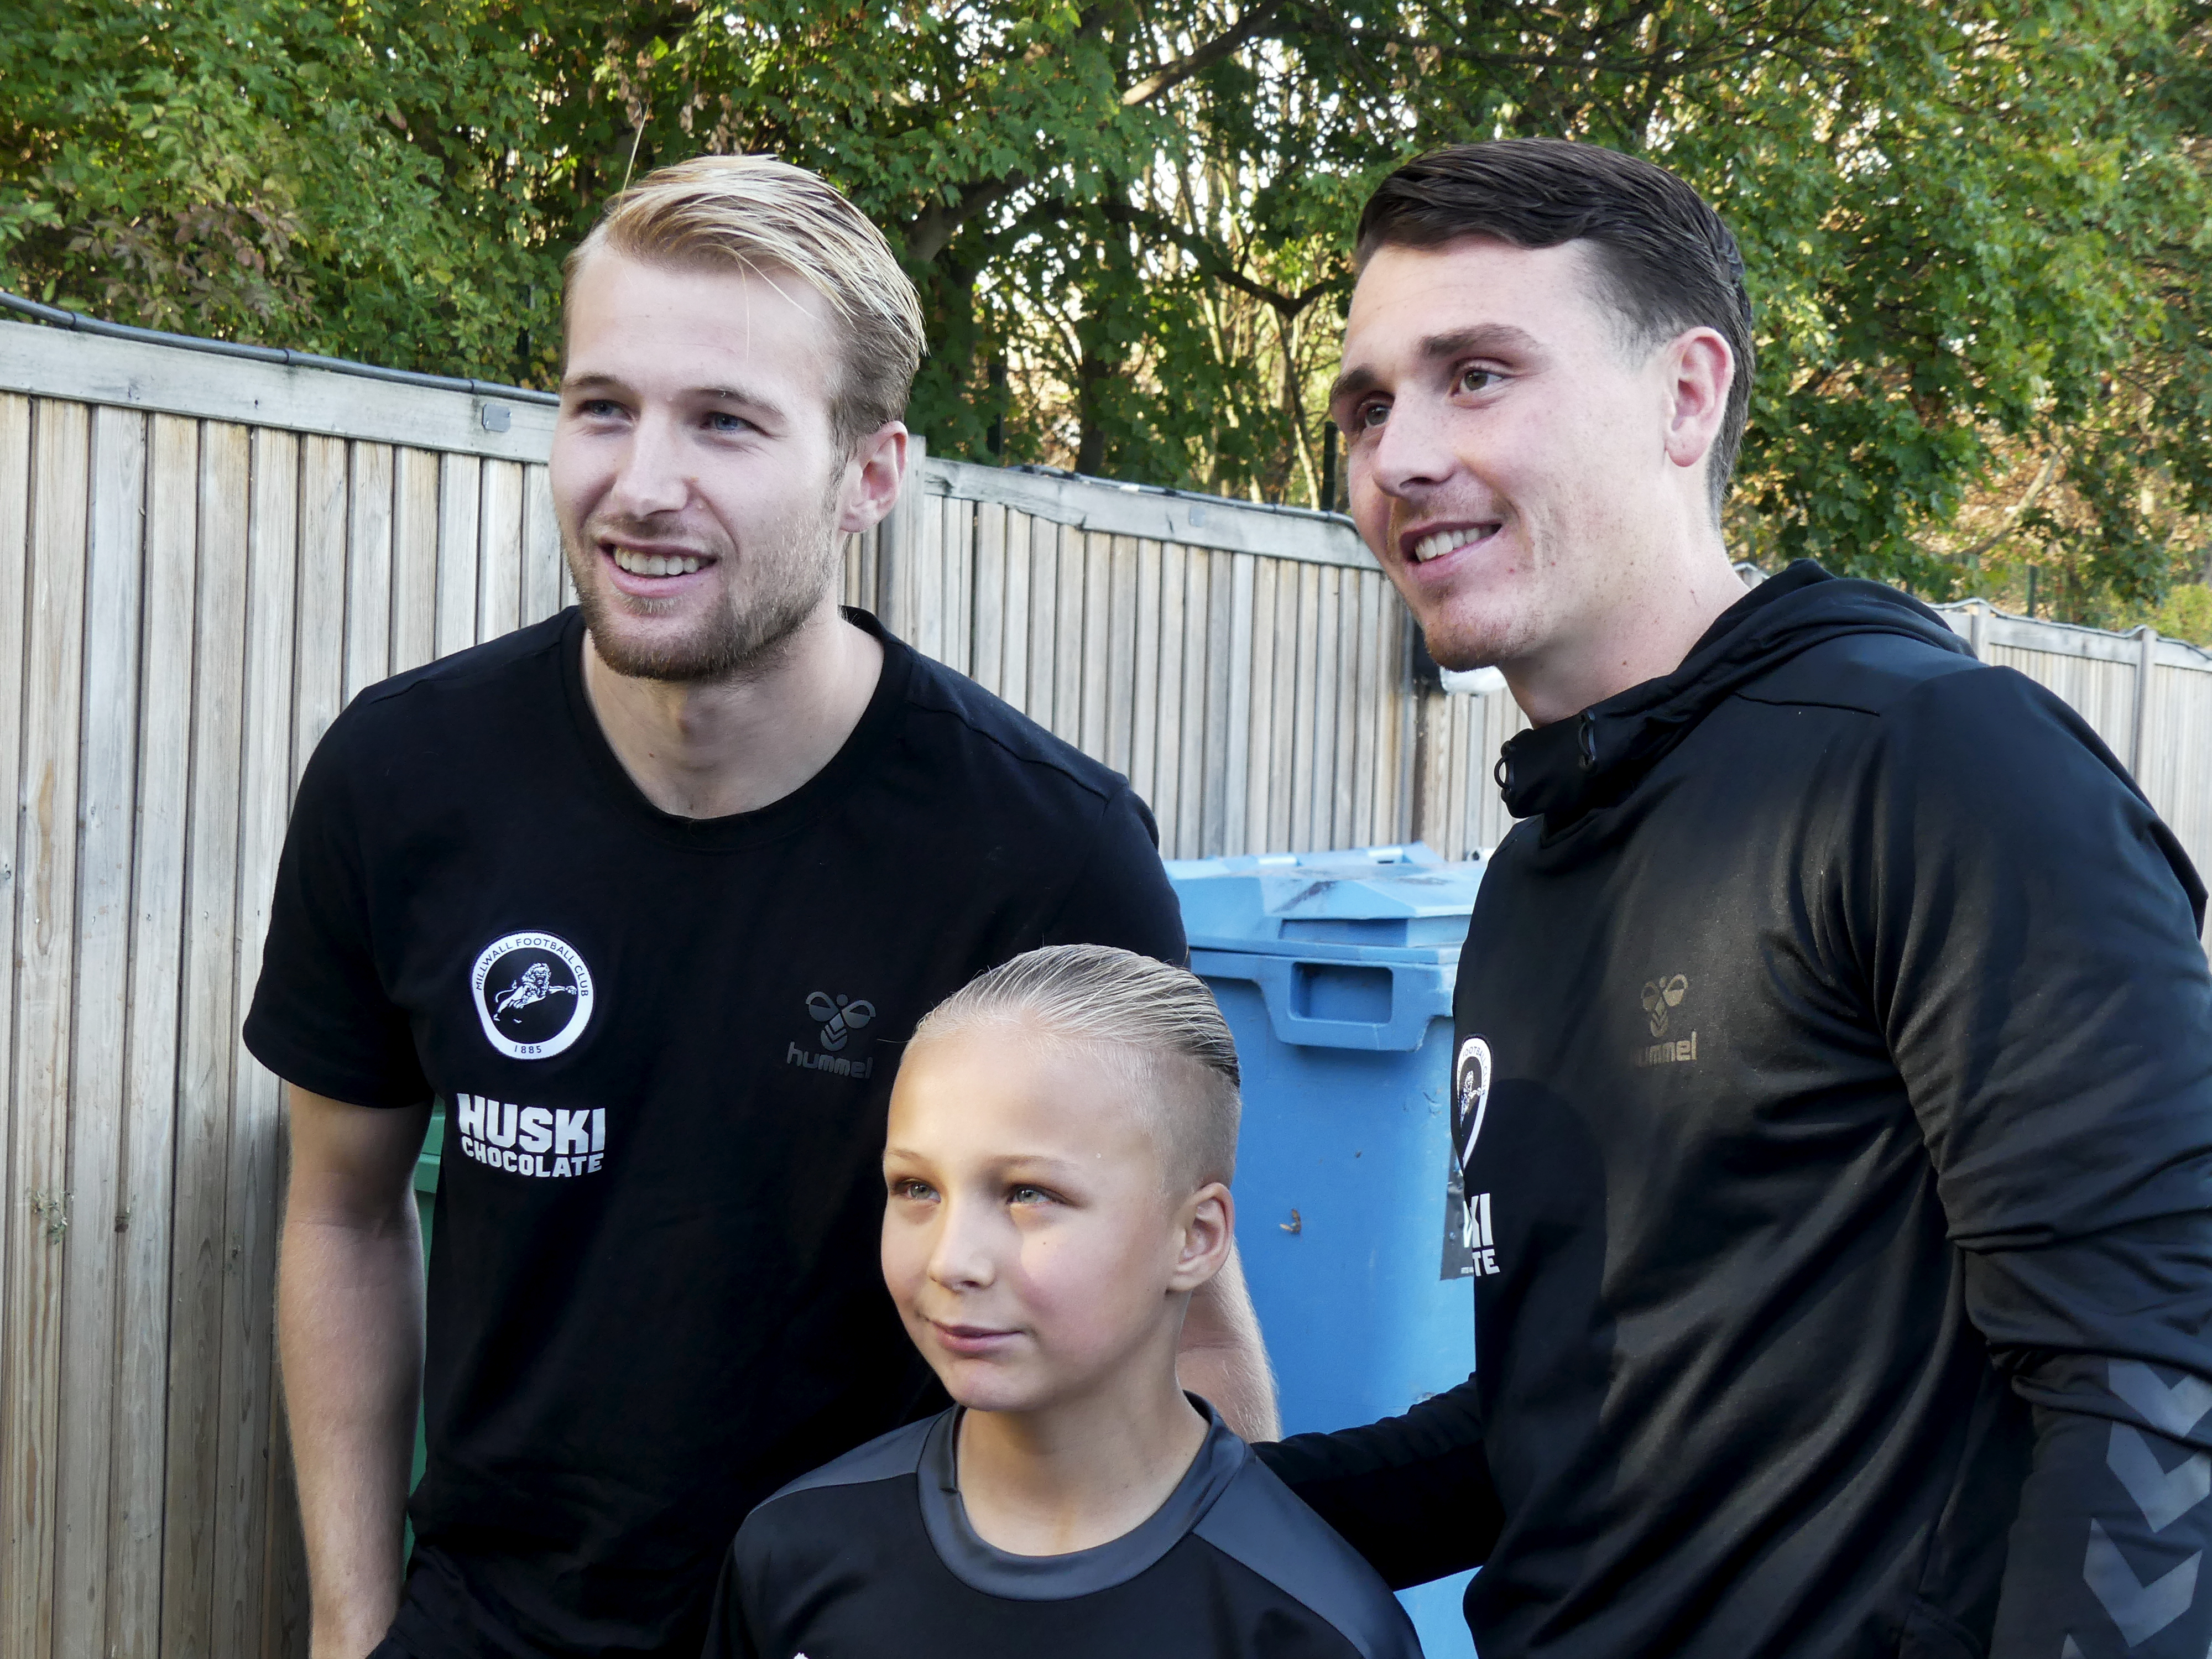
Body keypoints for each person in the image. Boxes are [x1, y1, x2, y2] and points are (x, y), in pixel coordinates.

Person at [248, 156, 1274, 1659]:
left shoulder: (1046, 853)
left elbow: (1185, 1311)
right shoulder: (404, 781)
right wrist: (351, 1625)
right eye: (604, 407)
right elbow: (342, 1209)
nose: (642, 483)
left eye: (725, 422)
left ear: (871, 474)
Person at [1256, 137, 2212, 1659]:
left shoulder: (1930, 766)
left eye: (1477, 375)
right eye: (1368, 406)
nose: (1401, 456)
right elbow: (1551, 1425)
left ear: (1685, 398)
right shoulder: (1534, 873)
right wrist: (1154, 1507)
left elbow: (2155, 1375)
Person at [706, 945, 1422, 1659]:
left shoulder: (1307, 1626)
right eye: (917, 1188)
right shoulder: (794, 1555)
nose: (951, 1261)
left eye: (1029, 1193)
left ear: (1196, 1238)